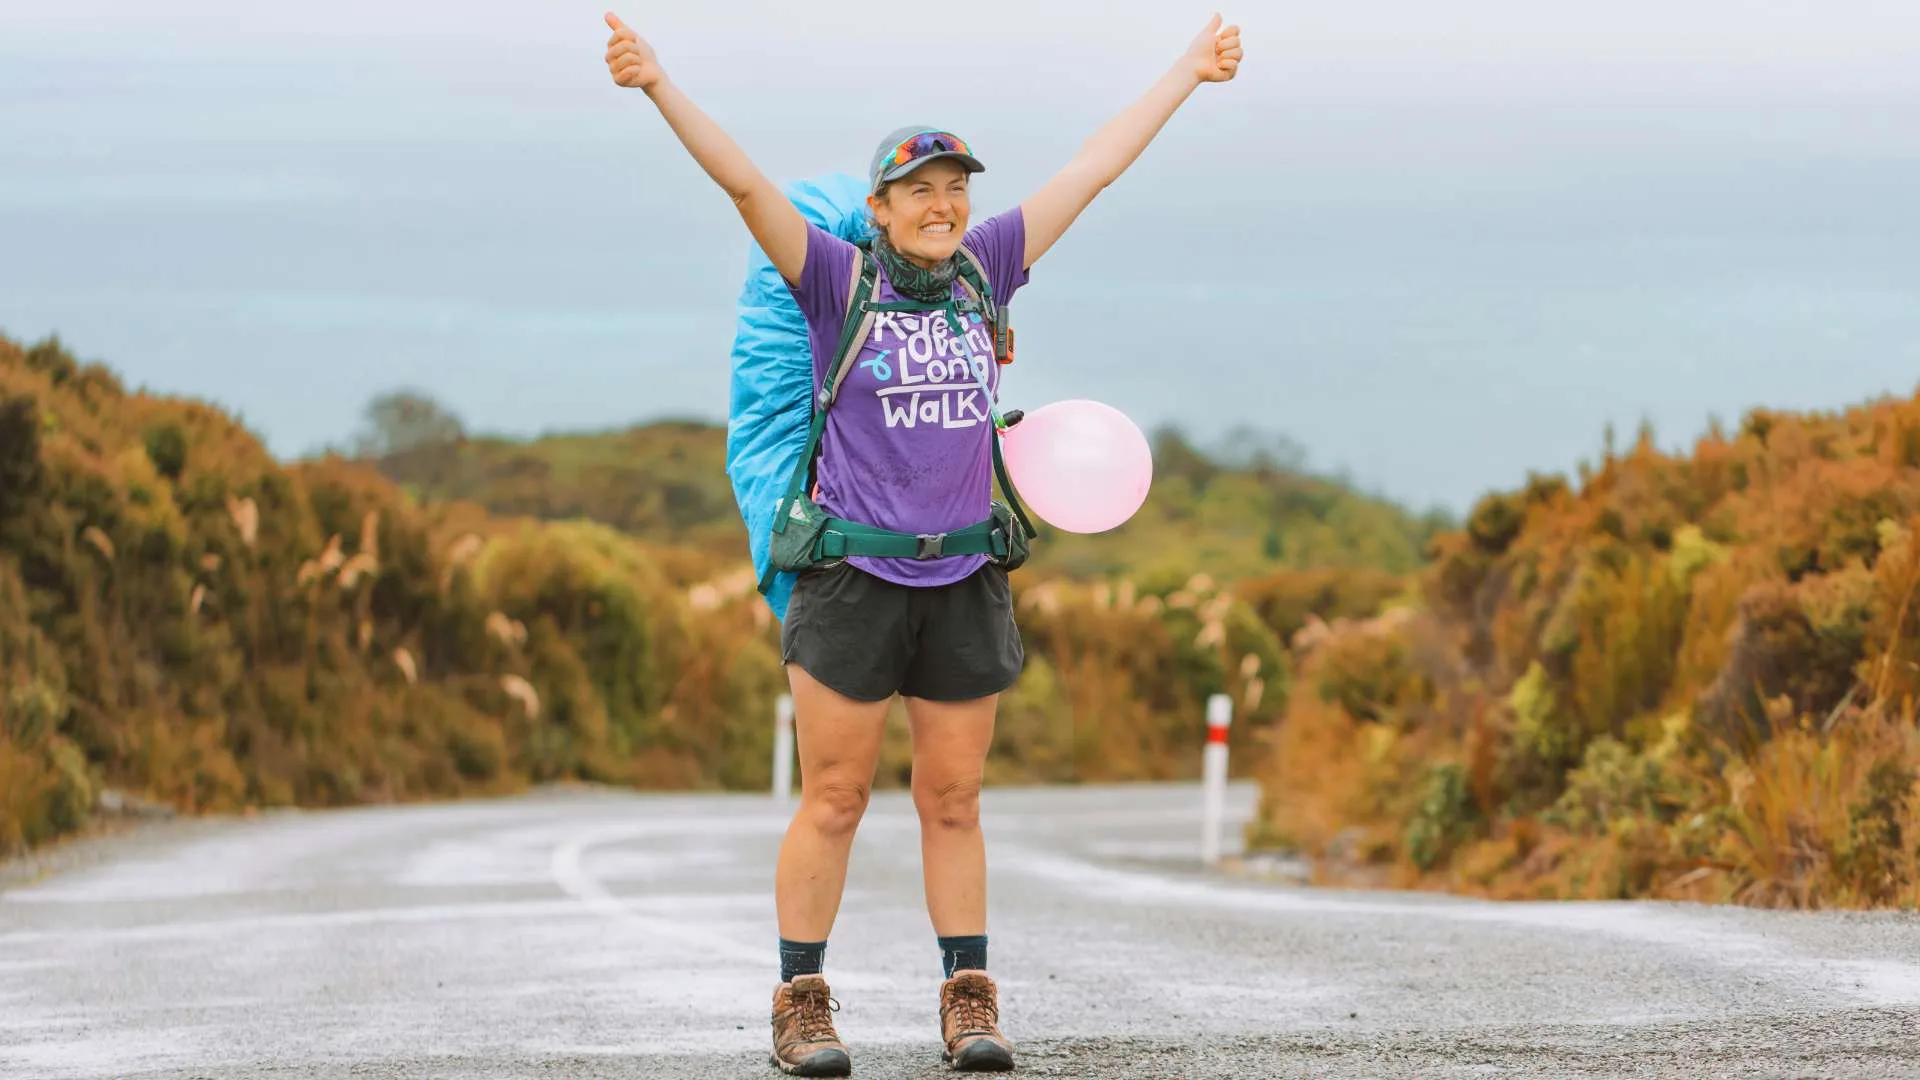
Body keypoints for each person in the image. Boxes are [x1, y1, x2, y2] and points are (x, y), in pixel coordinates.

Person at [601, 11, 1243, 1075]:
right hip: (851, 576)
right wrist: (659, 83)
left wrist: (1188, 70)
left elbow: (1094, 170)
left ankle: (968, 998)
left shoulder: (990, 267)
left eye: (956, 187)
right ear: (879, 211)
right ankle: (802, 1000)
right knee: (837, 797)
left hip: (963, 576)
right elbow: (747, 187)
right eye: (920, 190)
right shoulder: (833, 283)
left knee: (953, 799)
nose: (944, 204)